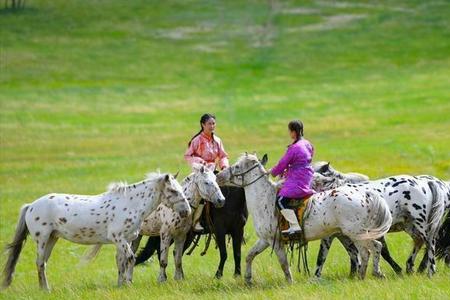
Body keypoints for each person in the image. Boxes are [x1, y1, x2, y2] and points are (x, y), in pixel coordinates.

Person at [184, 113, 229, 232]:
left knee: (226, 189)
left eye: (213, 123)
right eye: (209, 123)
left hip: (213, 171)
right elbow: (188, 156)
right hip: (201, 173)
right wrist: (200, 162)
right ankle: (196, 221)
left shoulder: (218, 140)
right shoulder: (197, 140)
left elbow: (223, 156)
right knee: (203, 195)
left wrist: (224, 166)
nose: (212, 126)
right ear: (203, 125)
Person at [268, 120, 314, 236]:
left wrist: (272, 172)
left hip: (297, 178)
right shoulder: (307, 143)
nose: (289, 134)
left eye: (290, 131)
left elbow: (282, 163)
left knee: (280, 201)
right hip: (307, 175)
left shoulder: (294, 148)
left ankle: (294, 226)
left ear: (293, 132)